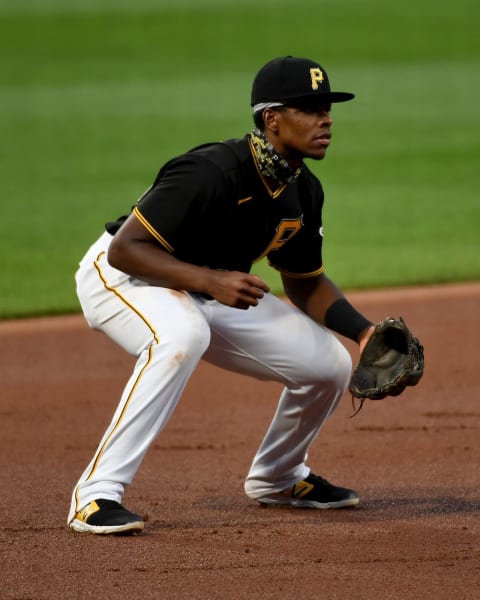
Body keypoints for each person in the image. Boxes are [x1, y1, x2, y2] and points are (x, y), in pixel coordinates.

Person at [68, 56, 375, 535]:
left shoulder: (303, 191)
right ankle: (95, 496)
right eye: (310, 108)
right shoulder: (211, 170)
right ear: (272, 119)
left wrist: (363, 332)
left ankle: (278, 476)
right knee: (181, 335)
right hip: (126, 278)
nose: (326, 118)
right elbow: (127, 251)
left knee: (329, 365)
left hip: (209, 289)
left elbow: (303, 278)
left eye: (327, 108)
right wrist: (210, 282)